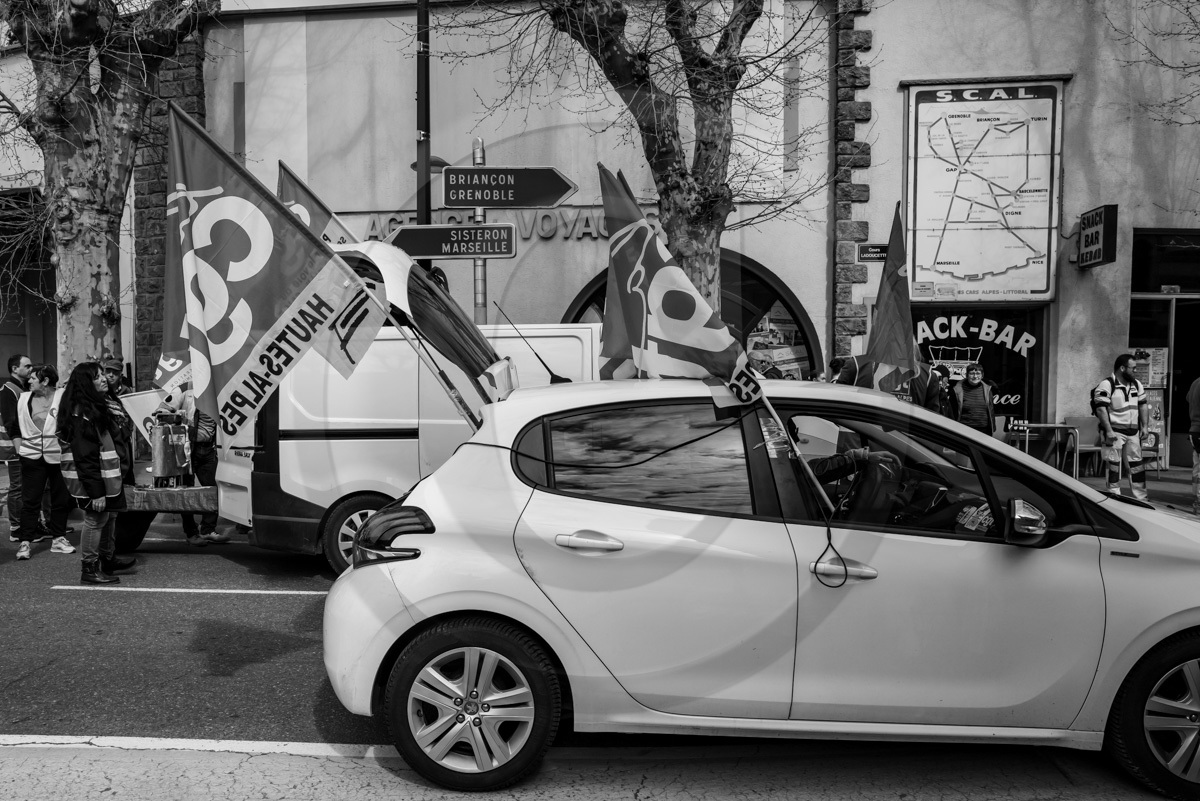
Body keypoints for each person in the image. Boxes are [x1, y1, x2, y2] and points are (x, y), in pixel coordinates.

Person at [58, 362, 136, 583]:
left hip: (110, 478)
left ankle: (107, 559)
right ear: (85, 384)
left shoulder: (100, 406)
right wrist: (96, 492)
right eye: (98, 376)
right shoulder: (82, 414)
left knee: (109, 517)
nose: (104, 379)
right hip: (96, 482)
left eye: (104, 375)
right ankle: (89, 569)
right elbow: (85, 458)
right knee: (95, 519)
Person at [13, 364, 75, 561]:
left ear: (45, 381)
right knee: (30, 500)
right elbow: (14, 425)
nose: (29, 380)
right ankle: (25, 542)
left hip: (58, 455)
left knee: (60, 499)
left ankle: (58, 538)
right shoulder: (23, 399)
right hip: (31, 456)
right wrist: (19, 450)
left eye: (33, 378)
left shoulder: (63, 396)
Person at [156, 388, 230, 546]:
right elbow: (160, 413)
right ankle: (191, 533)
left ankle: (208, 530)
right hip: (187, 449)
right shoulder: (184, 389)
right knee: (186, 493)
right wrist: (178, 416)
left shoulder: (218, 387)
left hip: (209, 449)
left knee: (213, 490)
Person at [1092, 353, 1149, 501]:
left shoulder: (1137, 385)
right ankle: (1113, 496)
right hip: (1115, 433)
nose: (1135, 371)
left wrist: (1145, 427)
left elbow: (1143, 406)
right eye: (1133, 368)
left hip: (1133, 432)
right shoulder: (1107, 384)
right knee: (1113, 465)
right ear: (1122, 368)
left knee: (1136, 466)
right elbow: (1100, 409)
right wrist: (1109, 431)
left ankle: (1141, 498)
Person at [2, 354, 32, 542]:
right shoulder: (8, 389)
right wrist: (18, 446)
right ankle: (16, 527)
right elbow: (10, 421)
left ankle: (26, 524)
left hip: (23, 444)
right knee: (17, 487)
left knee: (24, 486)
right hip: (14, 446)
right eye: (27, 366)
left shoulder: (22, 388)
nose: (31, 369)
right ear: (15, 369)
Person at [952, 363, 995, 436]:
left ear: (982, 375)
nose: (975, 376)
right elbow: (952, 412)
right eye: (971, 373)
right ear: (966, 375)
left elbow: (991, 410)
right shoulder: (957, 390)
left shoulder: (988, 390)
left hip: (984, 431)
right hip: (964, 430)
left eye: (978, 373)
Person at [1186, 374, 1200, 515]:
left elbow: (1188, 398)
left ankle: (1197, 502)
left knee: (1197, 469)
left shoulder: (1195, 382)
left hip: (1194, 431)